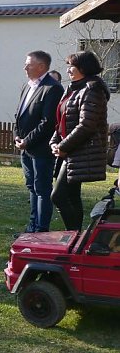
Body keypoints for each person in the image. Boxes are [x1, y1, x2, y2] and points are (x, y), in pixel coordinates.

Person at [50, 50, 110, 232]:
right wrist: (54, 141)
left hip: (80, 151)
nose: (68, 70)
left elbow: (86, 125)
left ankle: (74, 234)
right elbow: (62, 120)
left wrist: (63, 146)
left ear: (83, 68)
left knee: (58, 196)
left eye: (72, 66)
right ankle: (76, 236)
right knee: (71, 195)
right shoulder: (74, 88)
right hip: (69, 150)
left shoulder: (92, 90)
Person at [13, 51, 63, 234]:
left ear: (41, 66)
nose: (25, 67)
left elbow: (48, 122)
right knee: (32, 188)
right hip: (25, 149)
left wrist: (27, 141)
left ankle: (41, 230)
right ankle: (31, 227)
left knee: (42, 189)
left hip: (41, 150)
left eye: (29, 64)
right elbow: (19, 115)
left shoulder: (53, 88)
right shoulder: (27, 86)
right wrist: (17, 136)